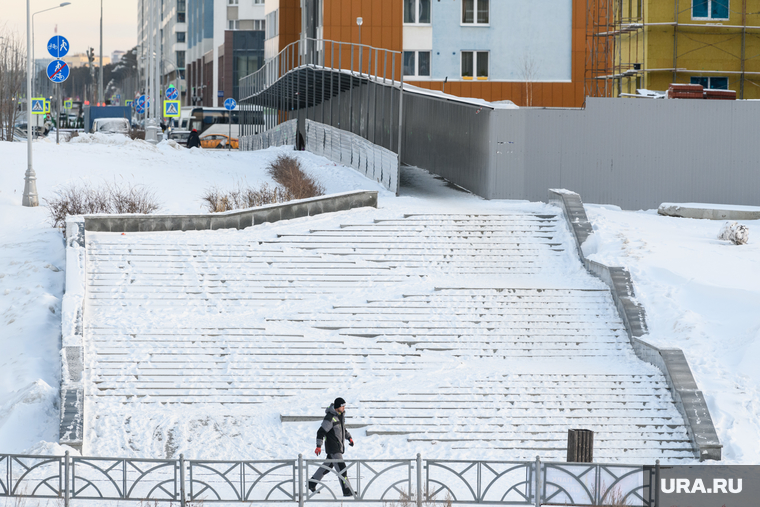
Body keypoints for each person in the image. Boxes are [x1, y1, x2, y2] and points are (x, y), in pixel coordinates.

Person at [309, 397, 355, 497]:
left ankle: (311, 483)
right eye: (343, 406)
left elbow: (343, 430)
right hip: (334, 448)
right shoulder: (330, 417)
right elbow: (321, 432)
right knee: (342, 468)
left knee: (326, 467)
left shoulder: (340, 416)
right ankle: (347, 490)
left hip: (337, 447)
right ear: (338, 406)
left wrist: (349, 438)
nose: (344, 408)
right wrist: (318, 446)